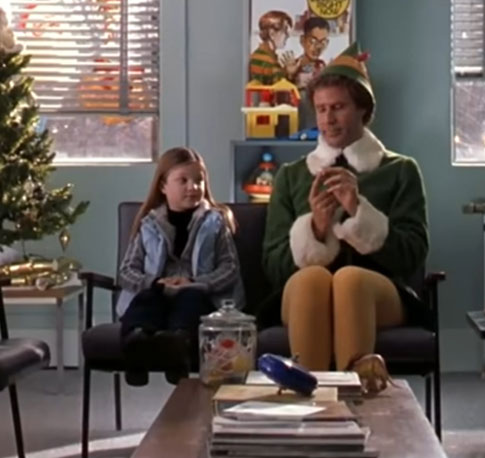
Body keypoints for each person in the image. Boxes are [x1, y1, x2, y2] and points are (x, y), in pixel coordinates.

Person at [261, 43, 430, 374]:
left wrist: (358, 213)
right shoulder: (292, 176)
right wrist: (315, 229)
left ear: (363, 110)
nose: (328, 119)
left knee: (350, 280)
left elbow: (412, 255)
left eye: (338, 107)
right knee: (312, 279)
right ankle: (310, 398)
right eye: (321, 109)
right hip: (302, 291)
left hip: (379, 292)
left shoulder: (400, 170)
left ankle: (354, 396)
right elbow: (273, 267)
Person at [117, 147, 245, 385]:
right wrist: (155, 283)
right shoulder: (149, 224)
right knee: (146, 300)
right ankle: (137, 344)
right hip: (157, 291)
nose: (193, 187)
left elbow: (230, 268)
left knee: (190, 301)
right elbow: (127, 271)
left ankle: (178, 345)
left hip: (197, 293)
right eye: (183, 180)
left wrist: (196, 283)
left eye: (199, 181)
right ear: (163, 186)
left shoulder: (215, 222)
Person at [249, 10, 293, 85]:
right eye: (285, 31)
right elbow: (280, 88)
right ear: (272, 34)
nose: (287, 35)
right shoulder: (268, 61)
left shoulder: (259, 54)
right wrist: (289, 73)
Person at [286, 16, 330, 89]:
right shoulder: (293, 66)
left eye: (323, 42)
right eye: (313, 41)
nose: (318, 47)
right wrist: (290, 75)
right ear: (302, 40)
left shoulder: (322, 66)